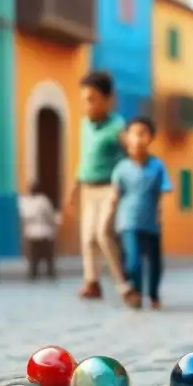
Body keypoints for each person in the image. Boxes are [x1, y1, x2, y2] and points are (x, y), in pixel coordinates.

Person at [64, 70, 130, 302]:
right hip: (88, 188)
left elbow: (130, 155)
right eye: (84, 100)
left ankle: (123, 283)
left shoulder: (117, 127)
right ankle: (92, 282)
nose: (87, 105)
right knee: (88, 237)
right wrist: (74, 187)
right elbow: (85, 158)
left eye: (92, 99)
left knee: (104, 233)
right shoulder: (85, 125)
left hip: (109, 187)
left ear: (108, 99)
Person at [110, 116, 173, 309]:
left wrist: (161, 207)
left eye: (143, 134)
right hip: (127, 222)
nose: (138, 139)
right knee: (133, 261)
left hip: (151, 223)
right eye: (134, 134)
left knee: (155, 264)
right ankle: (136, 292)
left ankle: (153, 295)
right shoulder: (121, 168)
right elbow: (114, 195)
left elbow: (166, 188)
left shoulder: (157, 166)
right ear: (126, 139)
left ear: (151, 138)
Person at [19, 182, 59, 280]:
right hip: (45, 233)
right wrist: (54, 226)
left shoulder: (24, 202)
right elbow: (50, 216)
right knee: (49, 259)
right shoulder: (44, 201)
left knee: (33, 260)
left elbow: (23, 218)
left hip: (31, 234)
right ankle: (50, 274)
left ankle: (33, 275)